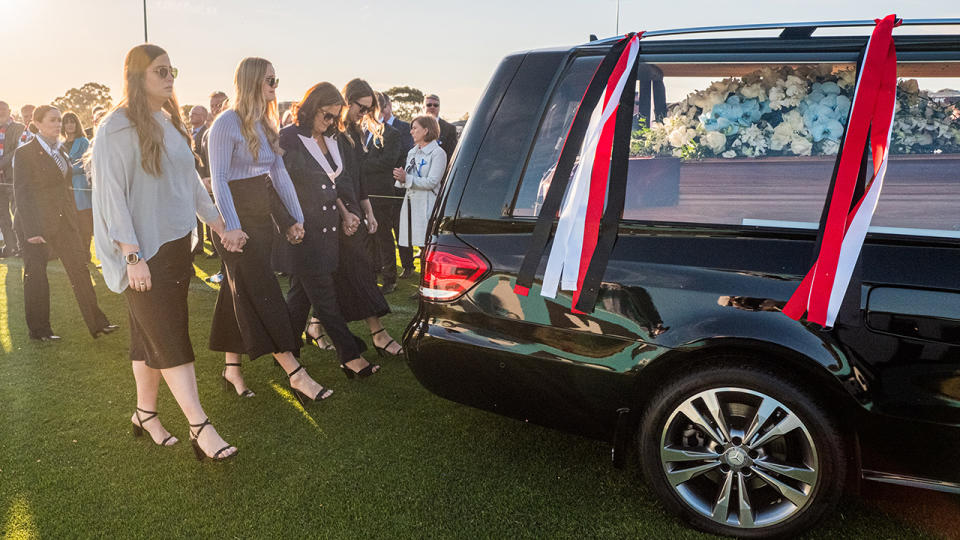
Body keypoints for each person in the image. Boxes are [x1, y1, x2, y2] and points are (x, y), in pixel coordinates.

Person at [91, 44, 236, 461]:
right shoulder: (113, 129)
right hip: (143, 254)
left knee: (148, 338)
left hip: (177, 247)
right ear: (138, 76)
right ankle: (200, 426)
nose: (170, 77)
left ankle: (145, 413)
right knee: (169, 338)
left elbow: (190, 182)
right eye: (160, 71)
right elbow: (111, 199)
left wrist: (218, 223)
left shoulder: (170, 122)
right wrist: (132, 256)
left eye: (172, 70)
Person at [207, 56, 334, 401]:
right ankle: (295, 372)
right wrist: (229, 227)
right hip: (236, 221)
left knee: (237, 290)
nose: (275, 87)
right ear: (250, 83)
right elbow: (218, 179)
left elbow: (278, 175)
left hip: (262, 219)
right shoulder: (224, 124)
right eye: (269, 81)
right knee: (262, 291)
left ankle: (232, 369)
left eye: (276, 81)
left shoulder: (266, 123)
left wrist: (296, 219)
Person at [276, 82, 378, 377]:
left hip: (328, 227)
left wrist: (347, 214)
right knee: (324, 295)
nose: (332, 122)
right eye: (327, 115)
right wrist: (287, 223)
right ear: (311, 107)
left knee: (299, 296)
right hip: (302, 230)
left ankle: (287, 348)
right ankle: (350, 355)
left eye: (335, 116)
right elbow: (275, 184)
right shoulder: (289, 138)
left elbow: (333, 186)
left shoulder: (332, 139)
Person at [14, 105, 118, 342]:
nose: (58, 124)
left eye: (59, 120)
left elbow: (64, 190)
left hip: (64, 223)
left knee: (79, 270)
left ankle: (98, 323)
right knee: (37, 276)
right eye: (52, 120)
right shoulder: (24, 153)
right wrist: (31, 230)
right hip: (35, 226)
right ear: (37, 124)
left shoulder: (60, 152)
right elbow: (22, 193)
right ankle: (39, 331)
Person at [392, 115, 446, 289]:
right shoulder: (412, 152)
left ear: (426, 130)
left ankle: (429, 285)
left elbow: (432, 181)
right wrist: (401, 178)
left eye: (415, 128)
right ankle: (423, 284)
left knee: (426, 247)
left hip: (427, 204)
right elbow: (409, 177)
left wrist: (407, 178)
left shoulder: (438, 153)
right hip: (411, 203)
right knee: (416, 244)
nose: (411, 131)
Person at [362, 92, 403, 294]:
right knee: (367, 237)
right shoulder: (362, 131)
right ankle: (370, 274)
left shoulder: (392, 133)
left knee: (384, 235)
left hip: (381, 192)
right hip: (363, 192)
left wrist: (361, 163)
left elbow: (388, 161)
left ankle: (390, 278)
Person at [61, 111, 94, 261]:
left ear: (77, 124)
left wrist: (66, 170)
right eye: (66, 122)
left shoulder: (83, 142)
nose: (69, 125)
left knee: (84, 221)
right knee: (72, 221)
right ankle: (77, 253)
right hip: (66, 190)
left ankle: (86, 253)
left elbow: (85, 164)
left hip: (81, 187)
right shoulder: (60, 144)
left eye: (72, 121)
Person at [0, 101, 24, 257]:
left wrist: (2, 162)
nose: (1, 112)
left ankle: (22, 246)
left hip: (12, 176)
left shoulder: (18, 128)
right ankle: (10, 247)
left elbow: (18, 150)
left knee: (18, 211)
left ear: (9, 111)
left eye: (3, 109)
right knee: (2, 215)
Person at [189, 105, 209, 256]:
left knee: (204, 211)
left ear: (203, 117)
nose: (191, 116)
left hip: (203, 177)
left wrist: (204, 176)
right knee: (194, 213)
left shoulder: (205, 133)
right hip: (191, 177)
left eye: (195, 114)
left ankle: (200, 245)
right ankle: (197, 244)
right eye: (190, 113)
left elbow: (204, 158)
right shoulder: (190, 133)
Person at [423, 94, 458, 164]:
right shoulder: (414, 126)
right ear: (423, 107)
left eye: (436, 105)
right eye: (429, 105)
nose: (432, 107)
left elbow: (451, 155)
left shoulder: (449, 129)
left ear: (439, 108)